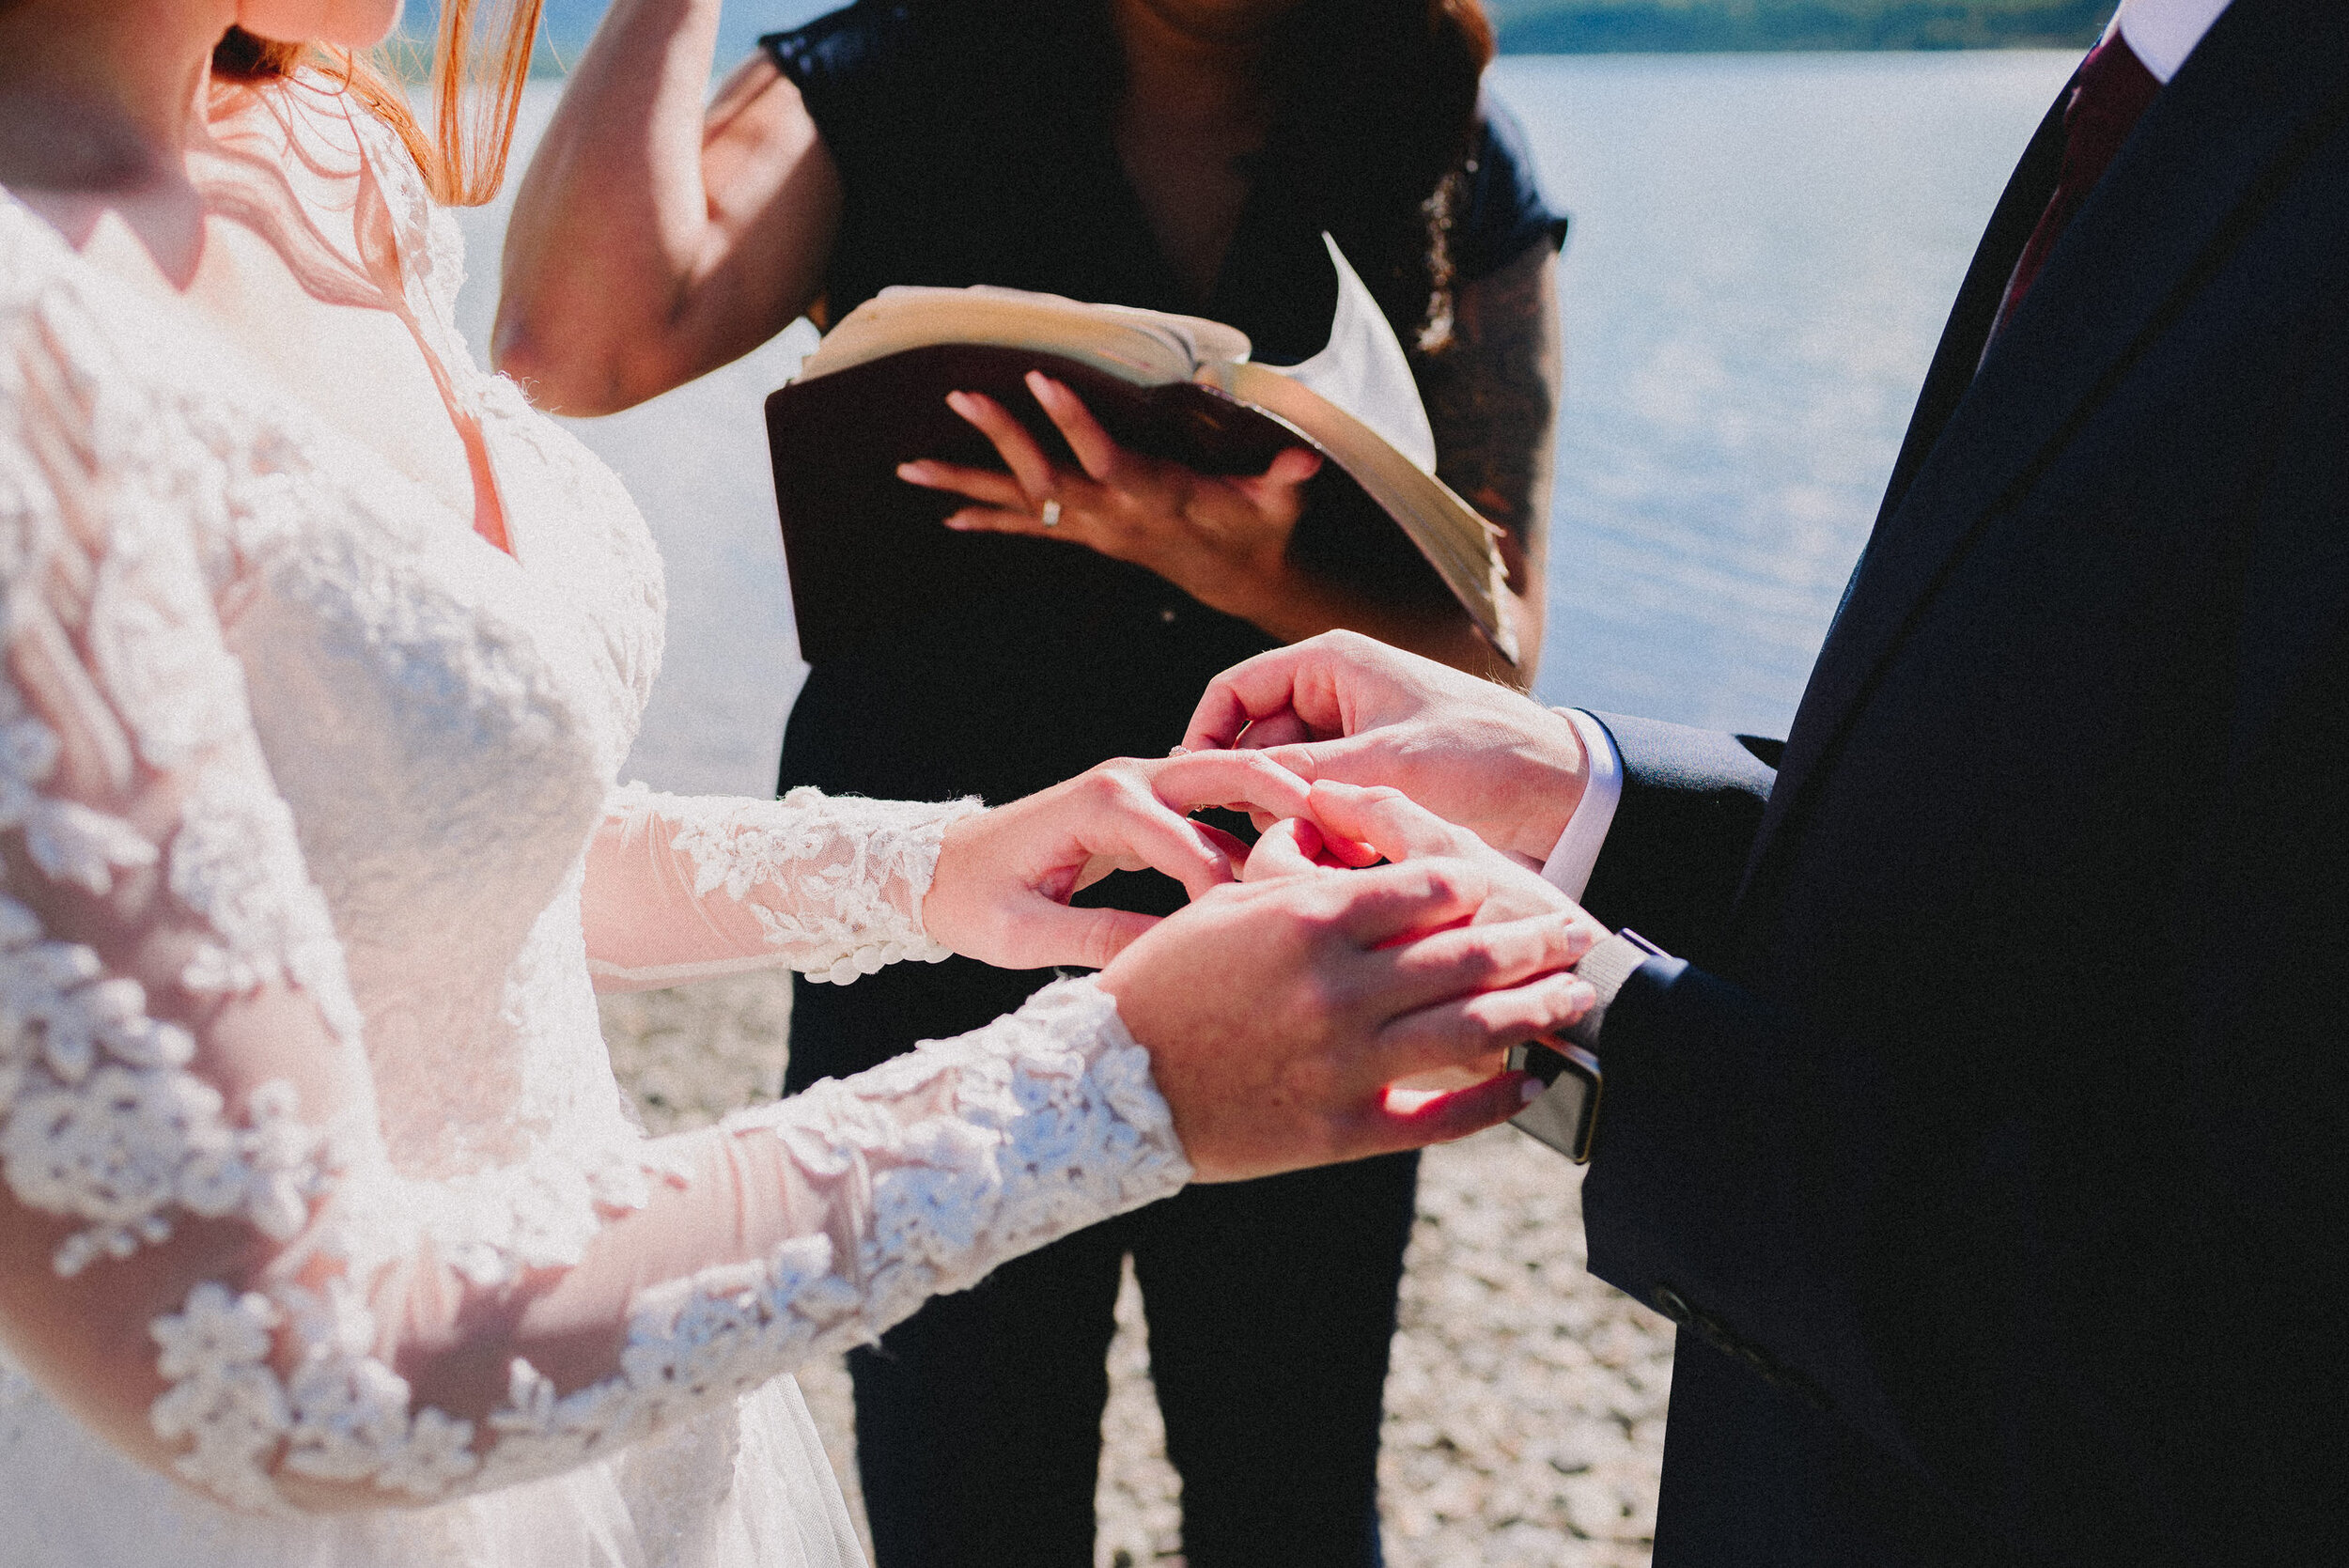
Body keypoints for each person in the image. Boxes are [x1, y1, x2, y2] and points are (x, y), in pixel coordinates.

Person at [0, 6, 1598, 1566]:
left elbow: (450, 836)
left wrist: (938, 867)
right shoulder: (28, 343)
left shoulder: (315, 143)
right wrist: (1125, 1082)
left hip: (625, 1454)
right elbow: (285, 1355)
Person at [1184, 0, 2349, 1560]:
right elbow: (2066, 867)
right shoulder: (2161, 83)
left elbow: (2253, 1364)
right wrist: (1579, 791)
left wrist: (1579, 1015)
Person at [494, 2, 1565, 1561]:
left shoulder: (1436, 123)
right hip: (942, 898)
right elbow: (572, 344)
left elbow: (1499, 643)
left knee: (1293, 1488)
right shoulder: (882, 74)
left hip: (1299, 889)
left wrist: (1257, 567)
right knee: (963, 1498)